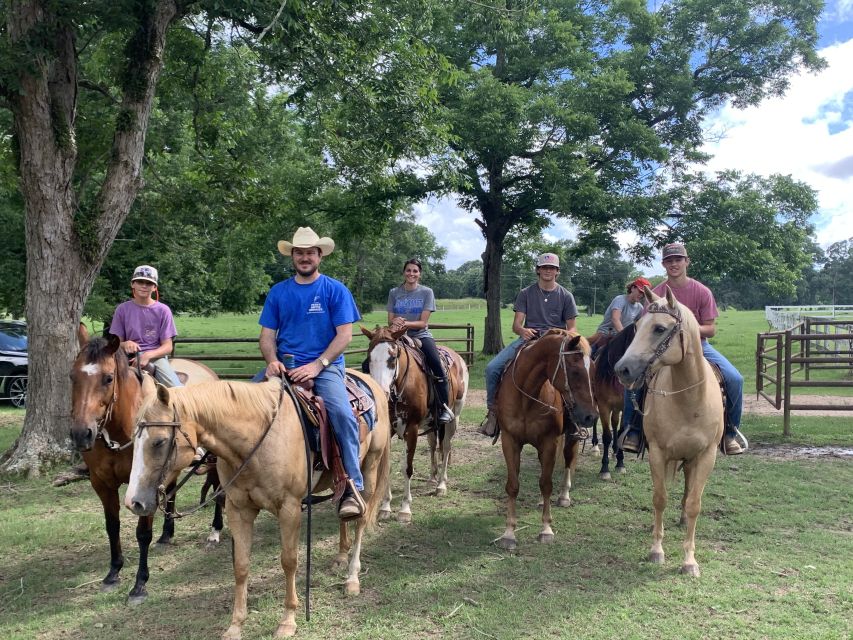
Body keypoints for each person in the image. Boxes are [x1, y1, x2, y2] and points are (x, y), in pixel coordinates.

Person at [257, 227, 365, 518]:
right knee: (241, 406)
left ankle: (352, 484)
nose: (304, 258)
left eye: (310, 253)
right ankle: (236, 475)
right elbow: (267, 336)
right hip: (284, 367)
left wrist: (318, 365)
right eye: (299, 253)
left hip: (325, 367)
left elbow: (344, 336)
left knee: (341, 413)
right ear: (292, 256)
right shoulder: (279, 292)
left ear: (320, 256)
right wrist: (271, 360)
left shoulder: (335, 290)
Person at [619, 243, 747, 455]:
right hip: (662, 349)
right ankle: (633, 429)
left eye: (678, 259)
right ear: (663, 264)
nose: (674, 264)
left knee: (735, 379)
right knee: (633, 380)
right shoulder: (656, 294)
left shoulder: (702, 291)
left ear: (686, 262)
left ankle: (730, 432)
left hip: (699, 347)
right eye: (669, 261)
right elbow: (646, 328)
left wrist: (687, 328)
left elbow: (710, 328)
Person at [479, 253, 578, 437]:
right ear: (538, 270)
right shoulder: (526, 293)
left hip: (556, 344)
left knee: (578, 371)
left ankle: (573, 420)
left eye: (552, 268)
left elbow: (572, 328)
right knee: (492, 368)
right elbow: (516, 325)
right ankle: (493, 411)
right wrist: (522, 331)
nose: (548, 271)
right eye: (544, 267)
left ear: (557, 272)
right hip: (529, 340)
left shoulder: (566, 295)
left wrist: (557, 335)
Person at [387, 258, 454, 424]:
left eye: (415, 271)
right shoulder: (394, 292)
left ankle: (443, 407)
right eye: (408, 270)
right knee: (373, 361)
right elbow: (390, 320)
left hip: (420, 335)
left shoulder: (426, 292)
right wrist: (396, 324)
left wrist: (404, 323)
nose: (411, 274)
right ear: (404, 272)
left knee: (436, 364)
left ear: (420, 274)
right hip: (397, 335)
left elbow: (423, 322)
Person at [110, 265, 183, 388]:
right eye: (140, 282)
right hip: (125, 357)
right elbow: (117, 342)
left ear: (154, 288)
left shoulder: (163, 310)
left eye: (149, 283)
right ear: (133, 284)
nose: (144, 286)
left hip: (155, 358)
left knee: (176, 389)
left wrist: (148, 355)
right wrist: (126, 343)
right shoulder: (122, 309)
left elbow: (167, 346)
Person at [589, 276, 651, 354]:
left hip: (622, 338)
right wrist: (625, 336)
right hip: (605, 334)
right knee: (590, 354)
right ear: (633, 288)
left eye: (644, 294)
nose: (641, 295)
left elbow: (640, 325)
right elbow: (615, 319)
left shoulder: (640, 308)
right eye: (640, 291)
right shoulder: (620, 299)